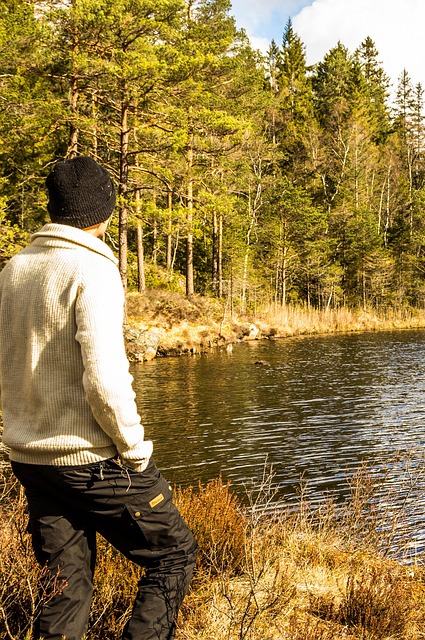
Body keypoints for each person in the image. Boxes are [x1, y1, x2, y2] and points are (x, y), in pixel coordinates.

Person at [0, 156, 196, 640]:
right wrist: (135, 451)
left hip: (31, 460)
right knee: (174, 554)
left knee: (64, 590)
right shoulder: (93, 269)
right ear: (101, 211)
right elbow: (105, 379)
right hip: (92, 462)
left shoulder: (13, 270)